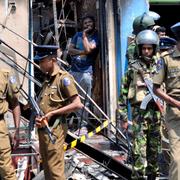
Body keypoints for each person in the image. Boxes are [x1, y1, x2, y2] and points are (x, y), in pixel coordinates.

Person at [117, 30, 161, 180]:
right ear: (139, 49)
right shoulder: (133, 68)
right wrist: (122, 117)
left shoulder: (160, 67)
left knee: (154, 150)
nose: (147, 51)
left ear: (154, 49)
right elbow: (123, 93)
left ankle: (152, 176)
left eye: (149, 48)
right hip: (139, 115)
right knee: (138, 151)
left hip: (157, 113)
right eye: (144, 48)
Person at [34, 45, 83, 180]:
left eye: (42, 61)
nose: (40, 65)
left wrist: (52, 114)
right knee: (48, 169)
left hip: (55, 130)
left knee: (55, 171)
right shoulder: (48, 80)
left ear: (53, 59)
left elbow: (77, 104)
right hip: (44, 129)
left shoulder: (63, 79)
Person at [153, 22, 180, 180]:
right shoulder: (166, 60)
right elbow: (156, 88)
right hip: (175, 113)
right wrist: (175, 103)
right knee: (177, 159)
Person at [68, 15, 99, 134]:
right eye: (85, 23)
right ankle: (77, 123)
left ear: (94, 23)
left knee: (85, 99)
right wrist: (81, 52)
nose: (87, 25)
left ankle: (83, 126)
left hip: (86, 72)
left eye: (90, 22)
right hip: (73, 71)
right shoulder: (77, 35)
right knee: (73, 98)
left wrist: (85, 36)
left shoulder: (95, 37)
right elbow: (70, 50)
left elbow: (89, 49)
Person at [0, 69, 20, 180]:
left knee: (6, 169)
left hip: (0, 128)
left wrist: (16, 131)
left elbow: (15, 103)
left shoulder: (5, 75)